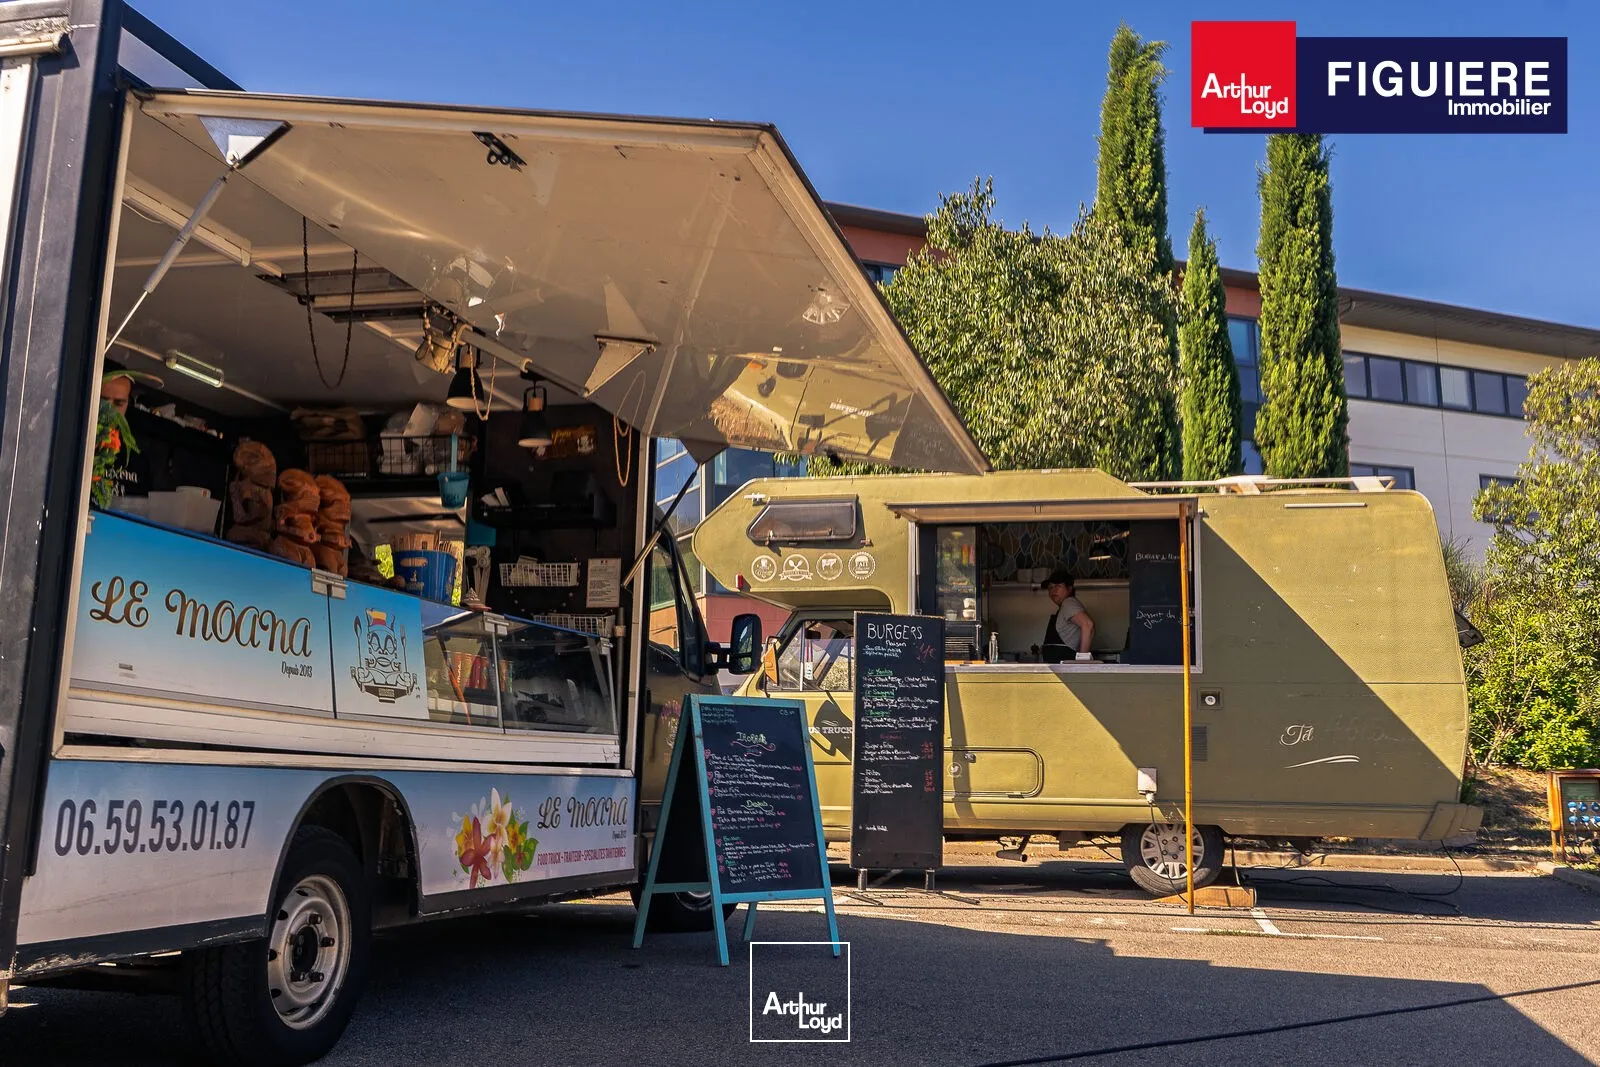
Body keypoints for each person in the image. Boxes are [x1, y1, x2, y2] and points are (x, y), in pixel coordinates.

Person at [1040, 568, 1094, 662]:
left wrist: (1083, 660)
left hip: (1065, 669)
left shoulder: (1069, 603)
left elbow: (1088, 625)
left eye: (1058, 586)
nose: (1053, 590)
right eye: (1050, 587)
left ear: (1069, 588)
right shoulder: (1065, 607)